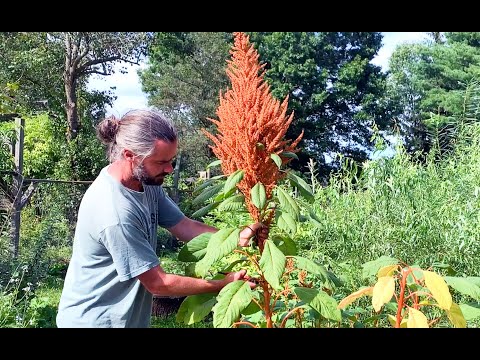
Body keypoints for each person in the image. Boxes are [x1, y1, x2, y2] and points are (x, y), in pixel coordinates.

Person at [56, 109, 266, 328]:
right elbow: (159, 284)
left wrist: (238, 237)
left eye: (171, 160)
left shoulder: (144, 182)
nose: (169, 169)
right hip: (95, 321)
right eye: (161, 162)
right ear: (129, 155)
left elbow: (183, 226)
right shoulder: (115, 212)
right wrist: (222, 284)